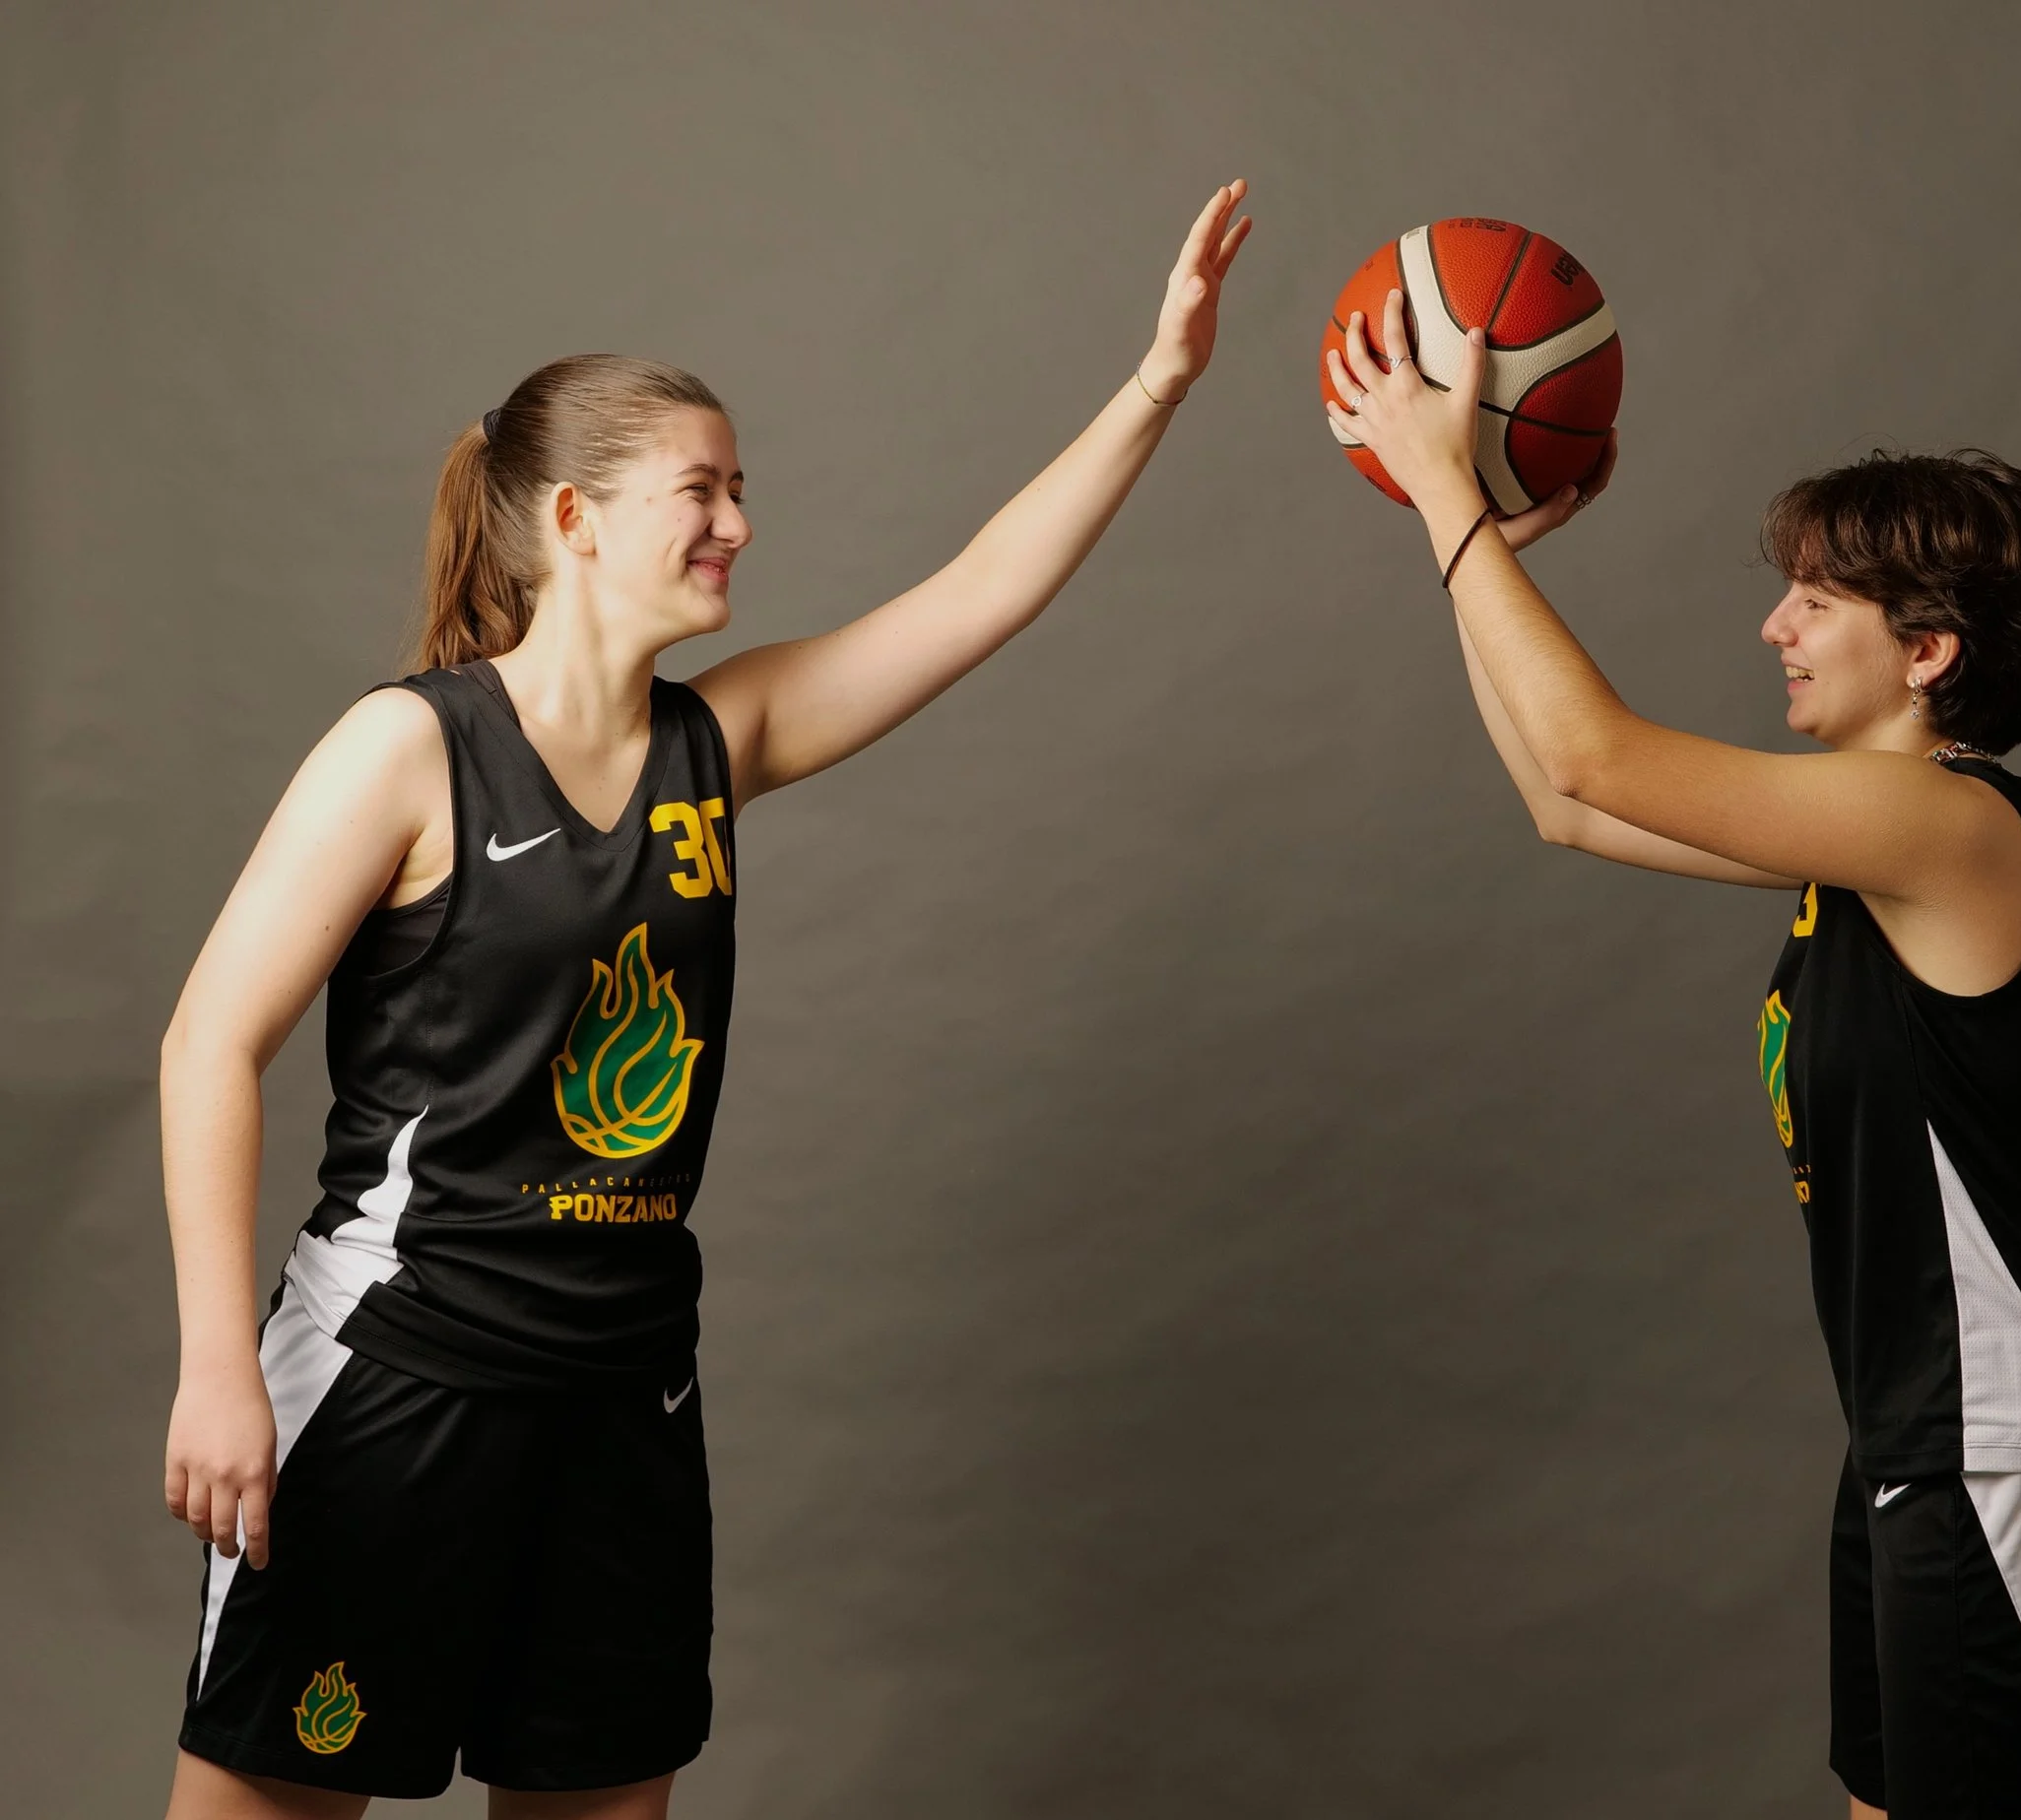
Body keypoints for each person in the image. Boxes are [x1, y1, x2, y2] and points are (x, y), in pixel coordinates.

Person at [158, 181, 1253, 1820]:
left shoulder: (711, 746)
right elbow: (207, 1042)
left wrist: (1160, 377)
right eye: (701, 490)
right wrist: (214, 1370)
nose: (739, 519)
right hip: (396, 1379)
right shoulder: (409, 749)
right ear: (575, 523)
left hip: (622, 1397)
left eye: (742, 487)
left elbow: (977, 595)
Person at [1327, 293, 2021, 1819]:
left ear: (1928, 652)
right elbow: (1567, 806)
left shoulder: (1949, 826)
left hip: (2004, 1442)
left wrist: (1447, 481)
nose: (1773, 628)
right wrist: (1469, 564)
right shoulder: (1869, 852)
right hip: (1915, 1436)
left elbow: (1596, 752)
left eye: (1813, 605)